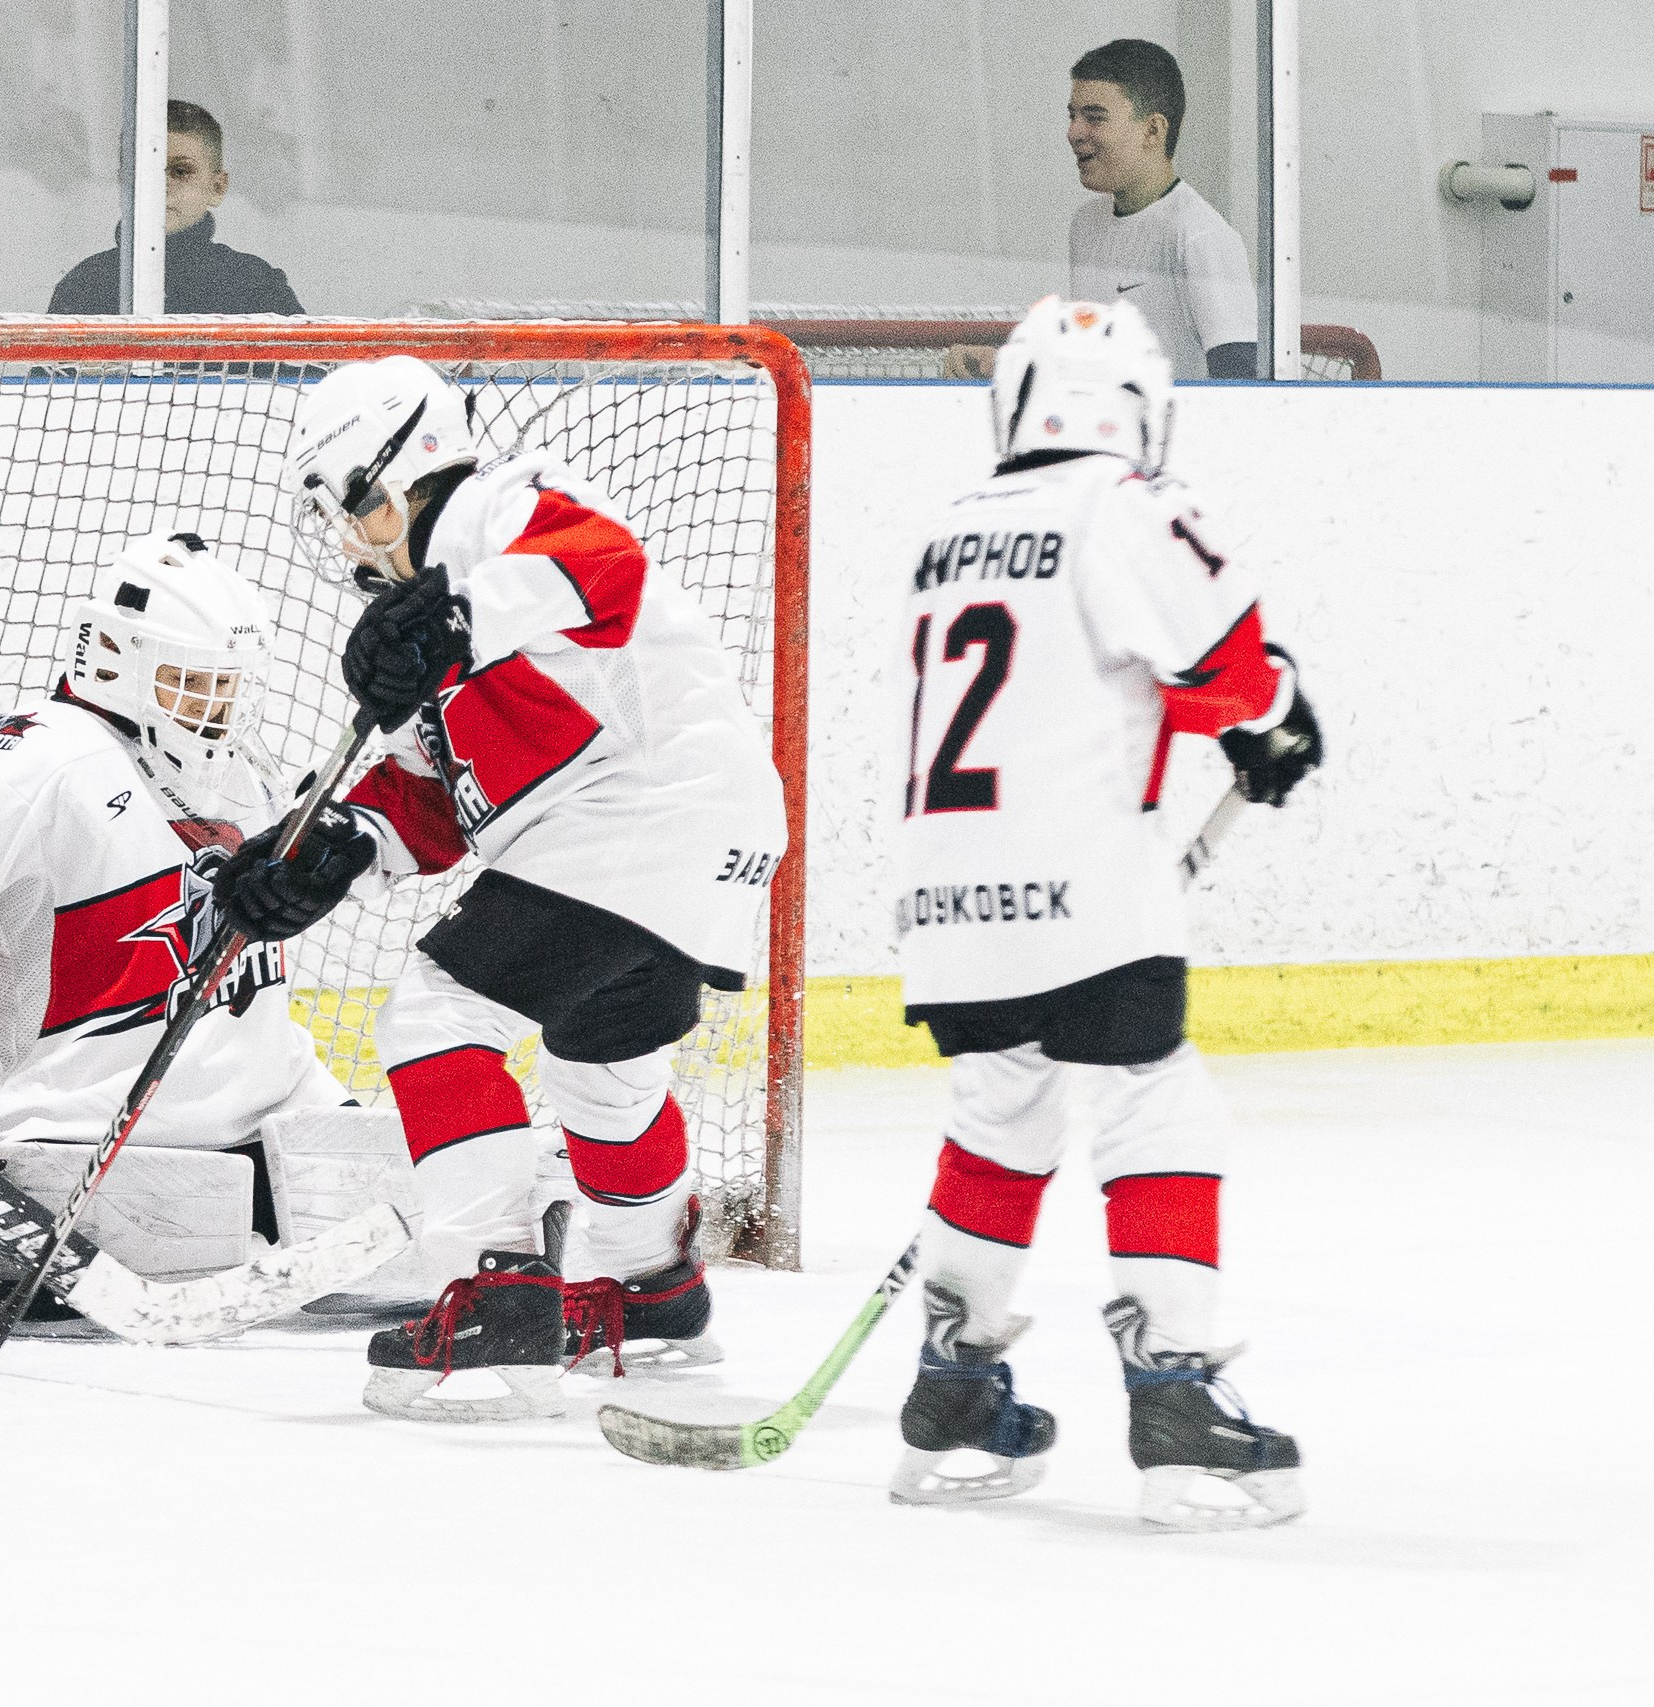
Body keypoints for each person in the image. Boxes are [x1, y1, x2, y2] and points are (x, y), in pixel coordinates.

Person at [211, 355, 789, 1422]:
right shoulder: (444, 625)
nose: (340, 540)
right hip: (697, 830)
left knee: (434, 1017)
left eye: (344, 508)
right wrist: (332, 848)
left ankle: (498, 1295)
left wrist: (457, 613)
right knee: (602, 1062)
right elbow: (443, 799)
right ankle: (650, 1287)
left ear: (390, 478)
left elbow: (601, 561)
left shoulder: (496, 510)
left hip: (644, 809)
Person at [889, 296, 1321, 1529]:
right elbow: (1226, 666)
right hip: (1087, 885)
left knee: (1001, 1107)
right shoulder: (1126, 506)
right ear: (1141, 408)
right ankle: (1175, 1392)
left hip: (948, 897)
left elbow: (1072, 687)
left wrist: (1233, 721)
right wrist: (1276, 715)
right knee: (1152, 1095)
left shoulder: (952, 528)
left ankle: (953, 1383)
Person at [0, 532, 353, 1269]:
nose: (217, 710)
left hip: (280, 1126)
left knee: (479, 1208)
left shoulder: (244, 770)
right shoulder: (38, 764)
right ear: (116, 660)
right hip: (84, 1142)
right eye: (192, 682)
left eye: (228, 686)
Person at [945, 40, 1257, 383]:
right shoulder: (1086, 225)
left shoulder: (1201, 236)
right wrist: (1007, 363)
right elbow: (1092, 367)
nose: (1073, 132)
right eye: (1072, 115)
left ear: (1153, 130)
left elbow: (1240, 389)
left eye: (1094, 118)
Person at [46, 100, 305, 315]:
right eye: (143, 171)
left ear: (217, 187)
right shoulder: (83, 288)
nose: (161, 186)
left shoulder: (256, 287)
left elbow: (307, 374)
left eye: (181, 171)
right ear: (122, 182)